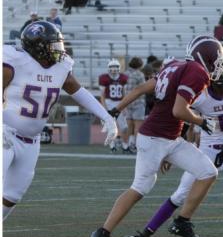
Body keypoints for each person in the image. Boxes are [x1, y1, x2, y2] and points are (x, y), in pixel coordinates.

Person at [88, 37, 223, 237]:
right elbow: (179, 110)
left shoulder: (175, 65)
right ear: (206, 56)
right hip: (153, 138)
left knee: (208, 172)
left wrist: (117, 110)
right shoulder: (197, 72)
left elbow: (144, 88)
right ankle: (102, 233)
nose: (218, 64)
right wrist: (202, 122)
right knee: (141, 188)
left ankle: (182, 222)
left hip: (170, 138)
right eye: (217, 59)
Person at [122, 50, 223, 237]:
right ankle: (143, 235)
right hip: (207, 150)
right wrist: (171, 147)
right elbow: (182, 120)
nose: (220, 72)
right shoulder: (200, 91)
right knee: (179, 195)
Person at [3, 22, 117, 221]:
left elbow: (79, 92)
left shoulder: (61, 67)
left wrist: (106, 116)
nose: (59, 51)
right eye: (52, 46)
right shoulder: (13, 62)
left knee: (13, 195)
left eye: (59, 45)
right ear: (37, 47)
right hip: (6, 133)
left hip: (32, 140)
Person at [99, 59, 131, 153]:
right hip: (109, 102)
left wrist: (125, 106)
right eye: (112, 67)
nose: (113, 69)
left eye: (116, 67)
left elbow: (125, 93)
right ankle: (112, 145)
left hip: (120, 102)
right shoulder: (104, 78)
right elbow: (102, 94)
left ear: (119, 68)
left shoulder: (123, 78)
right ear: (108, 68)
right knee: (109, 125)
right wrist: (104, 107)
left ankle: (125, 145)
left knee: (124, 126)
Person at [124, 57, 147, 153]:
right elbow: (144, 88)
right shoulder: (140, 74)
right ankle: (136, 146)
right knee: (138, 126)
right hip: (138, 102)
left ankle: (127, 144)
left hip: (127, 101)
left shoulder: (125, 74)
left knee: (129, 126)